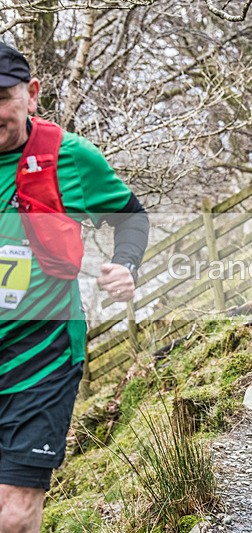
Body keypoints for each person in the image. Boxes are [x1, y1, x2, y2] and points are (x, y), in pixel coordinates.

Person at [0, 43, 148, 531]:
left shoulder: (69, 158)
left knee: (14, 513)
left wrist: (126, 264)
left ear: (31, 94)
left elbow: (131, 218)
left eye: (1, 97)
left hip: (40, 358)